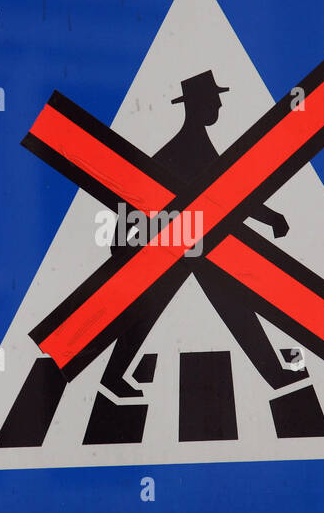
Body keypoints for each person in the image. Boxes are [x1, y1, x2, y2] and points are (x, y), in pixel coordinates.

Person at [99, 70, 306, 399]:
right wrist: (120, 239)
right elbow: (144, 193)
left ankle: (274, 374)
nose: (220, 106)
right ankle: (274, 374)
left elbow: (225, 195)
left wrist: (270, 217)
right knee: (175, 309)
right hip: (177, 246)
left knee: (218, 306)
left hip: (188, 244)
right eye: (215, 100)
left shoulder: (195, 143)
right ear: (198, 104)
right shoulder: (189, 146)